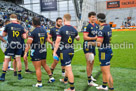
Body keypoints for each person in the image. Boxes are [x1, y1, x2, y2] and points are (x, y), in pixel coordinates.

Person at [23, 17, 55, 87]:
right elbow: (47, 39)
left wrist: (25, 53)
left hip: (36, 51)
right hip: (43, 50)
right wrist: (52, 43)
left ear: (33, 22)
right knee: (44, 64)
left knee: (37, 68)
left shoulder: (32, 30)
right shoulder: (44, 29)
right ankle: (51, 77)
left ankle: (39, 83)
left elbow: (29, 43)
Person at [53, 14, 80, 91]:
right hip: (71, 50)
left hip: (65, 51)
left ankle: (72, 88)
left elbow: (57, 41)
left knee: (68, 69)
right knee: (67, 66)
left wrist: (54, 52)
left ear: (64, 20)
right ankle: (65, 80)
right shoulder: (74, 29)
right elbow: (78, 38)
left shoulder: (61, 29)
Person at [88, 13, 114, 91]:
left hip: (104, 52)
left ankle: (111, 88)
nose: (95, 20)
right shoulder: (108, 27)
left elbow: (99, 44)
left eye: (96, 19)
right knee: (104, 70)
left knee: (107, 72)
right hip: (108, 49)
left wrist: (90, 43)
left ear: (99, 20)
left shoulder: (101, 29)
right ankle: (104, 85)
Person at [0, 14, 27, 81]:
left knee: (6, 59)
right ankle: (19, 75)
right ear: (16, 18)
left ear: (10, 18)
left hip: (10, 44)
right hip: (18, 44)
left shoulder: (8, 25)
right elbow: (24, 37)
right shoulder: (20, 27)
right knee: (18, 59)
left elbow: (3, 35)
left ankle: (3, 76)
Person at [83, 12, 99, 86]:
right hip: (87, 45)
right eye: (92, 17)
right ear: (89, 18)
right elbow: (85, 37)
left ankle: (91, 75)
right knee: (89, 62)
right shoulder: (87, 26)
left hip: (93, 45)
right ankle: (89, 81)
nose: (94, 18)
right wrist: (94, 38)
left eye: (94, 17)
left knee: (92, 61)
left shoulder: (96, 25)